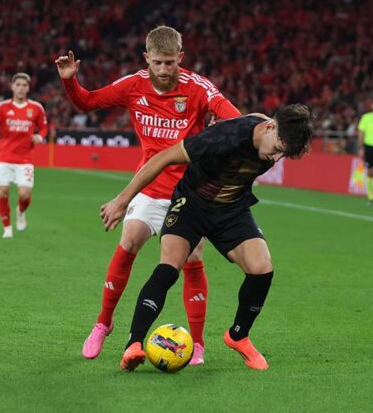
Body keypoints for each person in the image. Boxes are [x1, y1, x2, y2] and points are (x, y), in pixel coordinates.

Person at [56, 25, 241, 364]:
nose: (165, 69)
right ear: (147, 59)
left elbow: (233, 116)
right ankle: (103, 323)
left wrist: (227, 128)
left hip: (189, 191)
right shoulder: (133, 85)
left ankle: (197, 344)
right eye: (158, 62)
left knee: (193, 257)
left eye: (171, 62)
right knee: (129, 241)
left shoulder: (198, 89)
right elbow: (88, 102)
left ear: (180, 58)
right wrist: (70, 80)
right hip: (150, 186)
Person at [99, 104, 315, 371]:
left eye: (283, 154)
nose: (274, 158)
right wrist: (122, 200)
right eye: (277, 149)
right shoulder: (224, 137)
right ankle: (134, 344)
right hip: (192, 206)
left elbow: (285, 134)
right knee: (168, 268)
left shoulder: (280, 135)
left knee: (262, 268)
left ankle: (238, 336)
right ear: (270, 128)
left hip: (231, 210)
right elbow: (162, 158)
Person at [0, 73, 48, 238]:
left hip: (25, 158)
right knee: (2, 192)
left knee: (25, 195)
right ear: (12, 87)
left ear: (28, 88)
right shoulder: (3, 107)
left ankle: (20, 211)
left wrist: (39, 137)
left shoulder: (36, 108)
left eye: (24, 85)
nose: (21, 88)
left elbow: (43, 127)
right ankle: (7, 228)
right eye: (18, 85)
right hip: (4, 157)